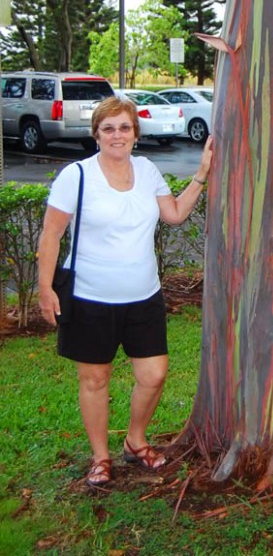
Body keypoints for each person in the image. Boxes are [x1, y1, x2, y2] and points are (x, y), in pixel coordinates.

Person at [37, 96, 213, 488]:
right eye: (109, 128)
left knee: (154, 374)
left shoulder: (147, 170)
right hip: (88, 298)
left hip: (143, 296)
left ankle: (135, 441)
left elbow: (174, 215)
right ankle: (100, 456)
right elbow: (52, 234)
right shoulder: (77, 176)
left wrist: (201, 172)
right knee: (95, 379)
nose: (118, 135)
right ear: (96, 134)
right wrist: (45, 288)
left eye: (125, 127)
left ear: (136, 133)